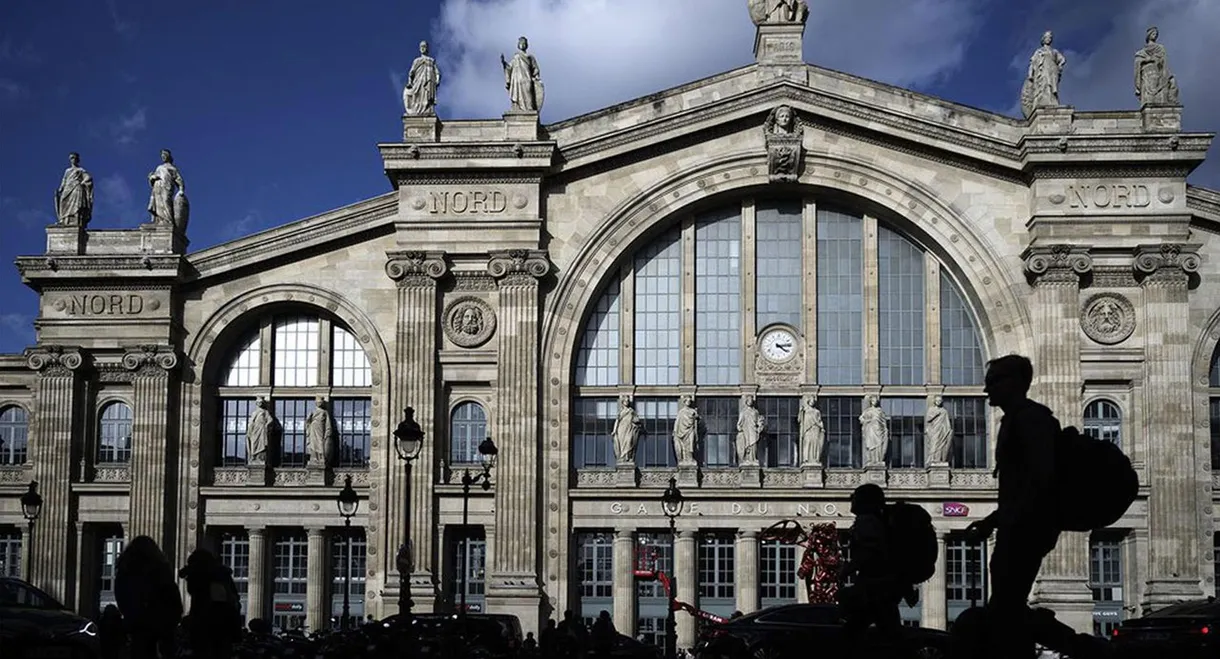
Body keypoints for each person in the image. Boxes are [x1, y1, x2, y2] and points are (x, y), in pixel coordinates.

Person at [838, 484, 904, 653]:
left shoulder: (867, 521)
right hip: (886, 586)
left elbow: (869, 551)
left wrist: (847, 569)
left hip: (874, 586)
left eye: (854, 497)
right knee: (889, 631)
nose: (851, 501)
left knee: (851, 634)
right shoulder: (881, 520)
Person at [114, 536, 182, 659]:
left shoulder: (125, 569)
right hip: (161, 623)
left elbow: (121, 596)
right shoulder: (160, 569)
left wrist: (130, 617)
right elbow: (173, 596)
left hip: (138, 624)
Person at [178, 547, 242, 659]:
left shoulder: (208, 578)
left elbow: (217, 604)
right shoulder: (221, 576)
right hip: (221, 627)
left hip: (210, 626)